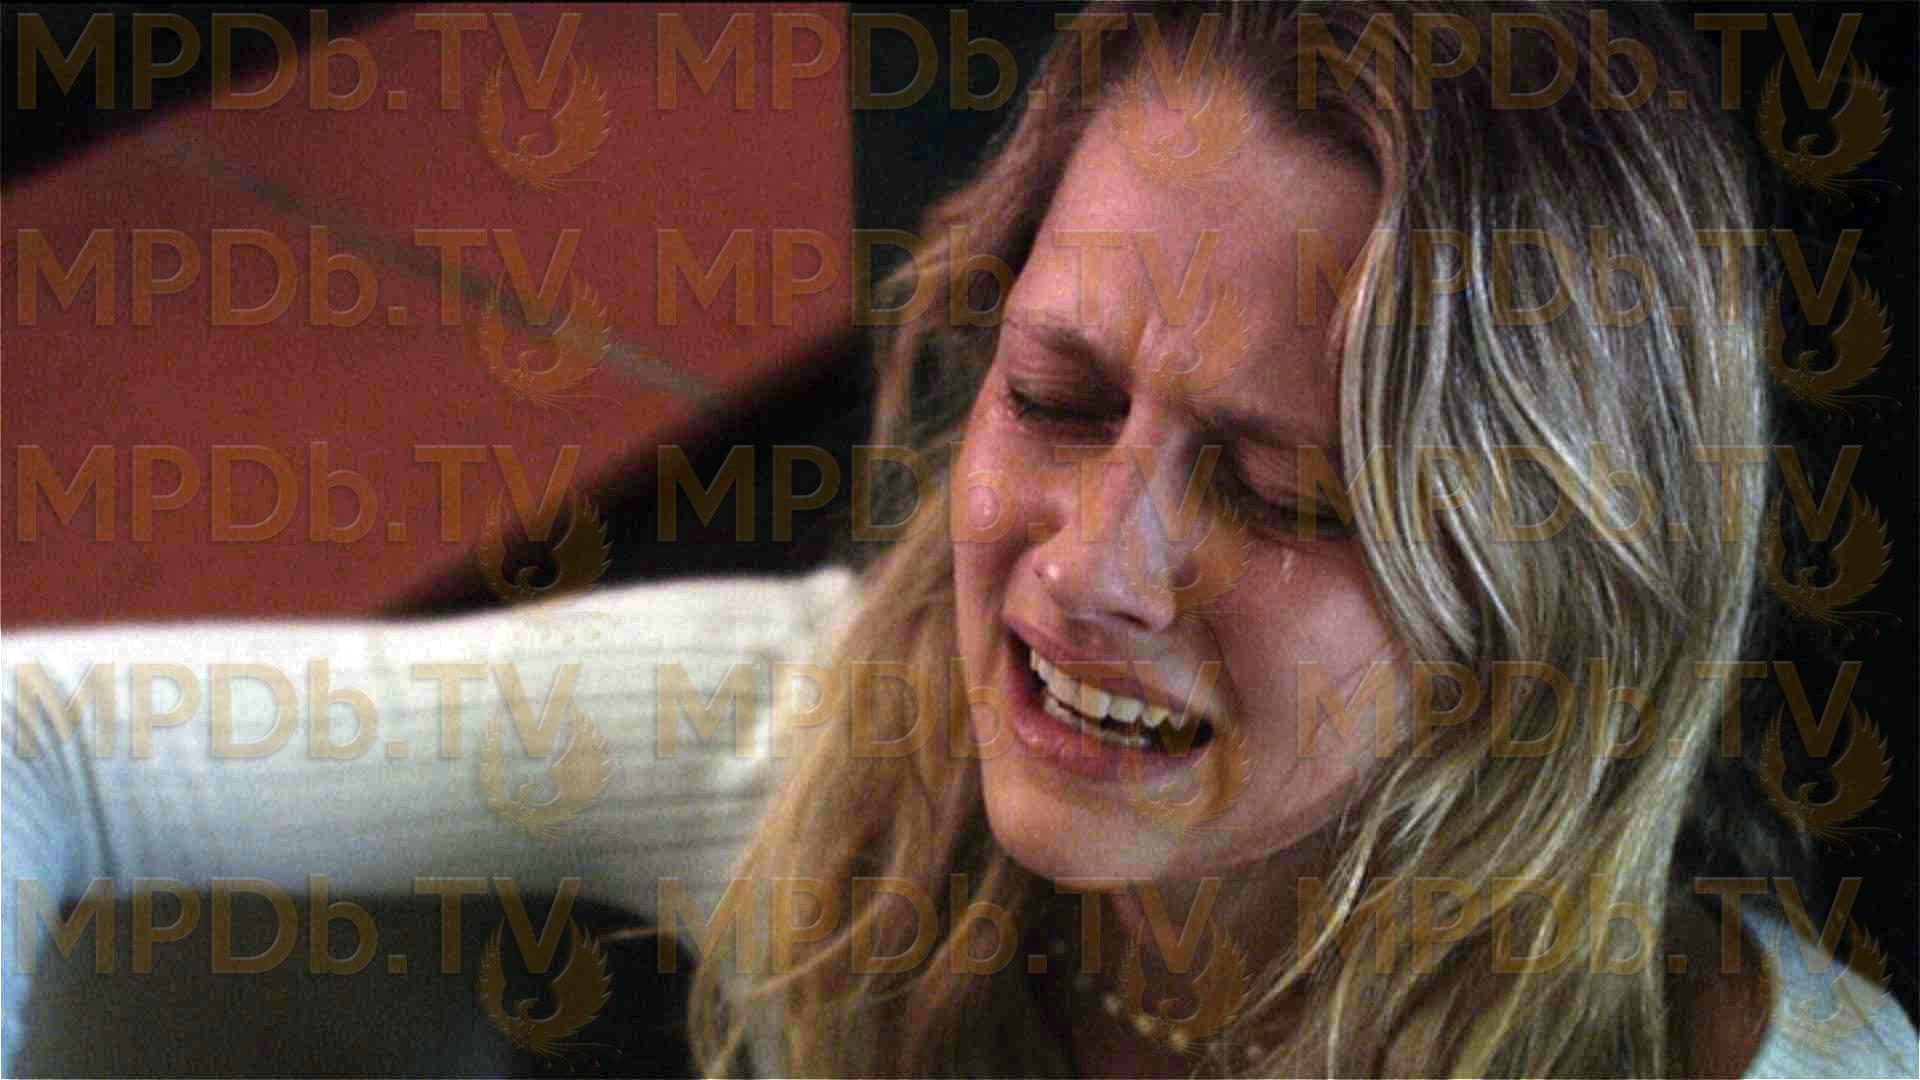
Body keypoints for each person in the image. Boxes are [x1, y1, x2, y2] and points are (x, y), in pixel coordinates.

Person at [687, 4, 1915, 1077]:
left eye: (1281, 497)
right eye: (1054, 400)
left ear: (1538, 610)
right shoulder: (809, 752)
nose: (1086, 568)